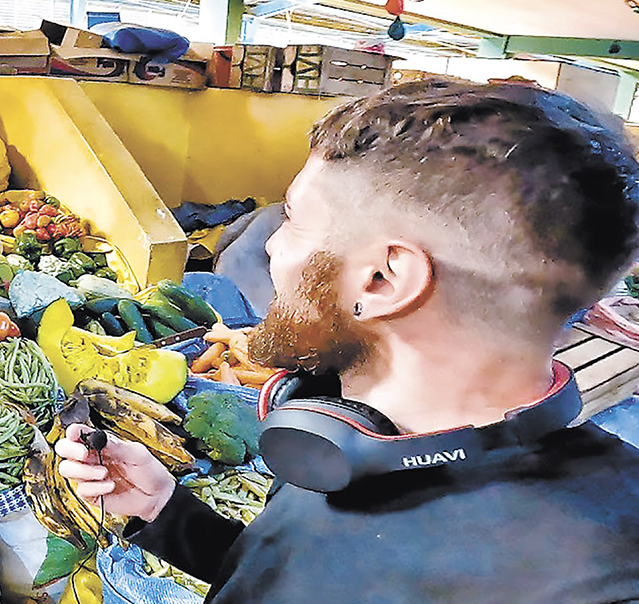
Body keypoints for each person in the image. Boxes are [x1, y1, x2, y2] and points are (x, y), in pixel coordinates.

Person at [57, 80, 639, 603]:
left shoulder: (601, 579)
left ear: (382, 279)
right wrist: (164, 511)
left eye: (293, 220)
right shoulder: (351, 433)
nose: (272, 249)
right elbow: (303, 575)